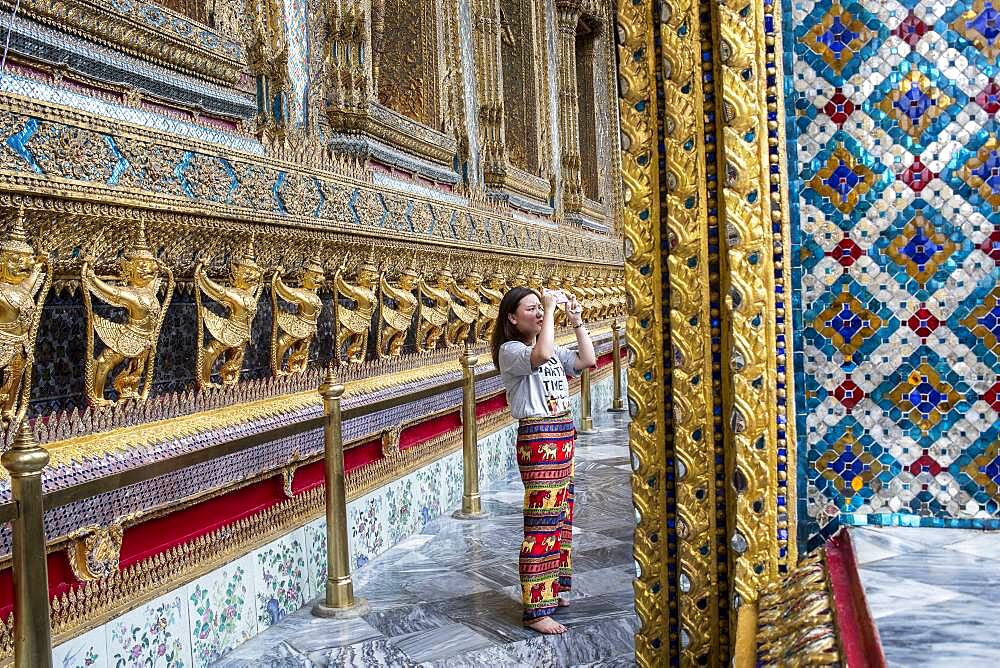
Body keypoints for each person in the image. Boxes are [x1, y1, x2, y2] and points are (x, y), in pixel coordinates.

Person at [492, 285, 596, 634]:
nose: (538, 313)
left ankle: (557, 589)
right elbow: (540, 355)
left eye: (541, 308)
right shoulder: (511, 351)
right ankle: (536, 609)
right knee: (542, 521)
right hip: (539, 438)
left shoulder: (551, 350)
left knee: (562, 515)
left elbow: (587, 361)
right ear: (512, 317)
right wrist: (551, 308)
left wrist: (577, 320)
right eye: (531, 308)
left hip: (562, 432)